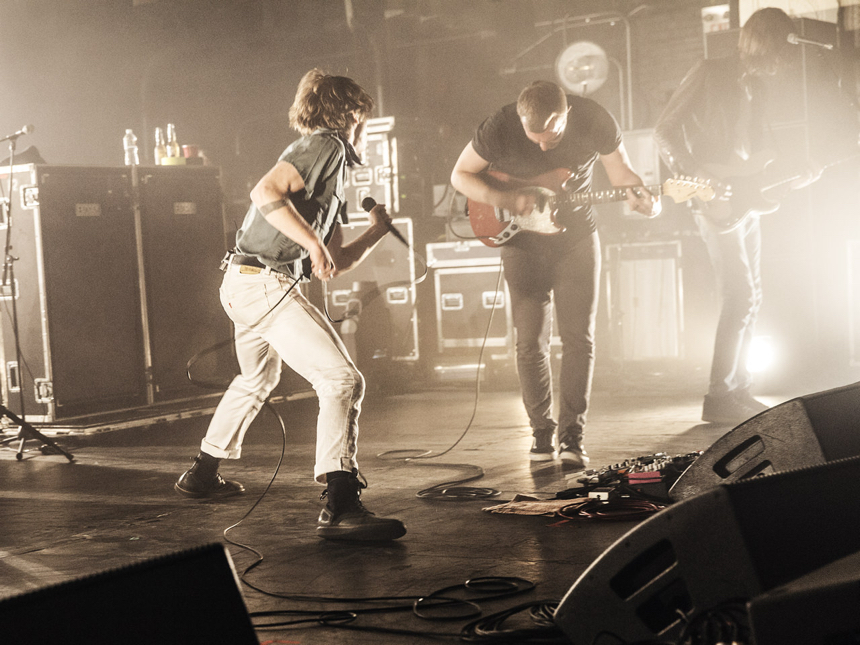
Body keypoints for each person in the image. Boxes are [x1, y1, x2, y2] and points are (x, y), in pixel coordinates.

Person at [175, 69, 406, 542]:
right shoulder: (326, 145)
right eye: (361, 115)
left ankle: (202, 473)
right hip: (263, 283)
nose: (363, 125)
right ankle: (341, 504)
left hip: (245, 284)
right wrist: (313, 246)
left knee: (258, 377)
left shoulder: (332, 175)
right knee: (341, 378)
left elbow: (335, 261)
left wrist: (376, 231)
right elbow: (265, 193)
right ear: (349, 114)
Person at [654, 7, 857, 424]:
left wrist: (794, 173)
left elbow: (759, 155)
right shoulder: (710, 70)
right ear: (764, 42)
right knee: (740, 294)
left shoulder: (758, 89)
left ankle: (737, 390)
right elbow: (664, 131)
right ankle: (718, 395)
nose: (784, 59)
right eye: (781, 47)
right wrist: (699, 178)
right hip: (712, 195)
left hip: (746, 197)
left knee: (753, 294)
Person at [450, 80, 660, 467]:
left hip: (576, 237)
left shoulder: (596, 119)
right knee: (529, 341)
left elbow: (622, 174)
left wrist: (644, 197)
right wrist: (506, 199)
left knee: (579, 338)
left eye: (553, 136)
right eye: (535, 138)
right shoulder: (498, 127)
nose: (544, 147)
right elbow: (461, 175)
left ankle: (572, 438)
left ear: (567, 114)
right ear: (519, 117)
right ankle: (540, 433)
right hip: (521, 241)